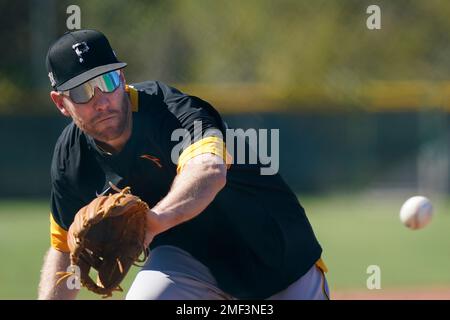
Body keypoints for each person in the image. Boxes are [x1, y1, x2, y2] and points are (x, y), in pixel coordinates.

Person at [38, 29, 329, 300]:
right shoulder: (70, 158)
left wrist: (153, 222)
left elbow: (209, 171)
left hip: (277, 254)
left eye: (108, 81)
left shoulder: (173, 112)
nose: (101, 101)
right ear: (61, 103)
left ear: (122, 78)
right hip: (187, 260)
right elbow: (63, 247)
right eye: (82, 91)